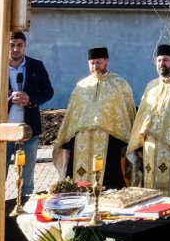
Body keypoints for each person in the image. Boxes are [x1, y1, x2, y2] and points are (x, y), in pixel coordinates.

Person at [0, 31, 53, 199]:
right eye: (12, 45)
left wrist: (31, 99)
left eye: (19, 45)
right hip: (1, 133)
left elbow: (48, 91)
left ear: (25, 46)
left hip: (29, 132)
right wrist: (8, 97)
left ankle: (23, 209)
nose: (15, 49)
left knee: (26, 180)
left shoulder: (37, 66)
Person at [53, 47, 136, 188]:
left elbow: (127, 112)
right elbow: (72, 115)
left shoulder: (120, 83)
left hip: (110, 141)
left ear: (107, 61)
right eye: (92, 63)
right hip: (81, 141)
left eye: (99, 62)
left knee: (110, 182)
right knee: (78, 182)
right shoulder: (81, 85)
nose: (95, 66)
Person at [126, 44, 170, 199]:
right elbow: (141, 118)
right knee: (148, 190)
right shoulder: (150, 86)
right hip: (149, 147)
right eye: (159, 60)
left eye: (165, 60)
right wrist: (138, 144)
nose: (161, 63)